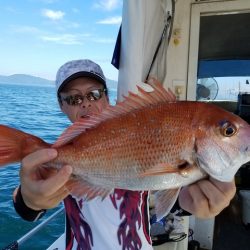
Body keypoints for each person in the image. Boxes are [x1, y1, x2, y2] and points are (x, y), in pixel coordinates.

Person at [13, 59, 236, 250]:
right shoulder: (57, 157)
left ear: (106, 97)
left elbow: (168, 194)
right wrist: (30, 199)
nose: (86, 105)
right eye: (73, 99)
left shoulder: (138, 135)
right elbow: (27, 208)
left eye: (94, 94)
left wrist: (194, 201)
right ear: (61, 106)